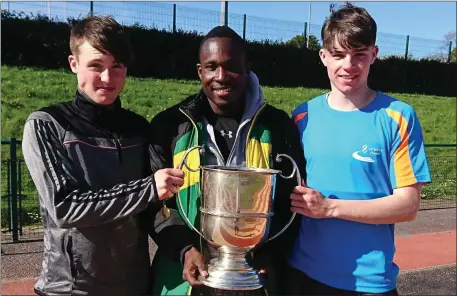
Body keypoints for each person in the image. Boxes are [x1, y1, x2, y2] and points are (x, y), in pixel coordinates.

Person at [22, 16, 185, 296]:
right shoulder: (46, 124)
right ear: (74, 64)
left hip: (135, 287)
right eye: (96, 66)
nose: (108, 79)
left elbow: (155, 211)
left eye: (117, 67)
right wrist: (147, 188)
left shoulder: (139, 129)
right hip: (69, 290)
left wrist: (186, 249)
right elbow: (64, 207)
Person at [147, 26, 306, 296]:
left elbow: (291, 203)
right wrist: (184, 250)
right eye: (211, 67)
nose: (220, 77)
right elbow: (156, 205)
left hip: (255, 278)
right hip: (186, 278)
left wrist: (271, 254)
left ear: (247, 69)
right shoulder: (170, 126)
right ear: (200, 72)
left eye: (231, 67)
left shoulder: (277, 126)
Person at [286, 4, 432, 295]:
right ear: (323, 57)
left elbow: (408, 205)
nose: (349, 66)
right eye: (338, 55)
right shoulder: (302, 116)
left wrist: (329, 208)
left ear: (374, 55)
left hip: (369, 283)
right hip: (301, 274)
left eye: (359, 55)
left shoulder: (398, 116)